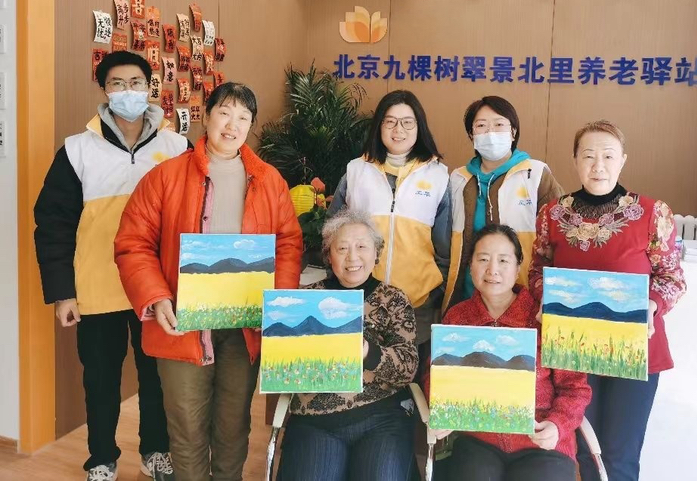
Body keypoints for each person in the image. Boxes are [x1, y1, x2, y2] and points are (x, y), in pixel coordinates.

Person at [114, 82, 303, 481]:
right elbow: (133, 242)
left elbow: (288, 244)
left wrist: (277, 305)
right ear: (207, 116)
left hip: (244, 325)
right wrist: (157, 296)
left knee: (233, 426)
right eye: (225, 113)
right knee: (186, 426)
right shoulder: (165, 177)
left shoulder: (269, 181)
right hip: (183, 322)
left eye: (243, 118)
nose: (232, 125)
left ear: (251, 125)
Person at [33, 50, 187, 481]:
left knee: (156, 377)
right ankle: (101, 458)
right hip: (97, 286)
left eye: (135, 82)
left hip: (158, 288)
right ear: (104, 90)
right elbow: (53, 224)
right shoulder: (77, 150)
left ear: (150, 87)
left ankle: (156, 451)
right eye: (117, 83)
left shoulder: (177, 147)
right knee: (100, 381)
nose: (127, 91)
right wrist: (63, 293)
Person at [528, 119, 687, 481]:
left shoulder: (653, 213)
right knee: (585, 452)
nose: (598, 165)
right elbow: (537, 270)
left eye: (608, 156)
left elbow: (672, 278)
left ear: (623, 160)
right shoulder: (553, 214)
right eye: (588, 156)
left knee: (620, 457)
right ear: (575, 160)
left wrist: (650, 305)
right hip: (574, 350)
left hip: (634, 352)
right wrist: (546, 298)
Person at [424, 224, 591, 481]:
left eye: (503, 260)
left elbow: (575, 387)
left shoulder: (544, 318)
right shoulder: (457, 317)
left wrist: (557, 425)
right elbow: (435, 377)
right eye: (483, 259)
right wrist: (440, 411)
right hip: (478, 442)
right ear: (470, 266)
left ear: (517, 267)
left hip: (541, 443)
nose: (493, 270)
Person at [278, 209, 419, 481]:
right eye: (342, 248)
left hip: (381, 416)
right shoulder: (305, 300)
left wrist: (367, 351)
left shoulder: (394, 300)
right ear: (328, 256)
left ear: (376, 253)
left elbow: (408, 368)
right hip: (317, 420)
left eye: (362, 247)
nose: (352, 257)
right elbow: (283, 368)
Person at [329, 90, 450, 355]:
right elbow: (331, 233)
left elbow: (446, 246)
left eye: (407, 122)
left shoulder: (439, 176)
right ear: (379, 126)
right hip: (360, 299)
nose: (399, 130)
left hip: (416, 303)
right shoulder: (356, 171)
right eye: (390, 121)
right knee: (361, 371)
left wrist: (433, 291)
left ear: (419, 126)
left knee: (407, 372)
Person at [443, 96, 564, 312]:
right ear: (471, 134)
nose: (490, 133)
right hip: (467, 299)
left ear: (513, 131)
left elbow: (560, 236)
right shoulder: (458, 179)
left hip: (525, 299)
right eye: (481, 126)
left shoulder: (535, 174)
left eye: (499, 124)